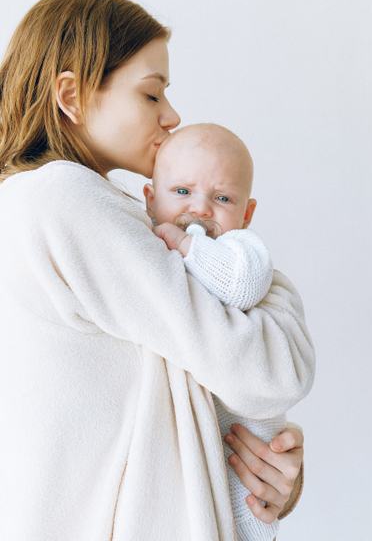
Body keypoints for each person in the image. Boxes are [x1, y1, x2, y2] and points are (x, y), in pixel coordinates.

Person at [0, 0, 315, 541]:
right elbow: (271, 372)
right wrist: (266, 290)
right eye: (151, 95)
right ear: (70, 95)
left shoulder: (92, 213)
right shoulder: (62, 200)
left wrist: (264, 474)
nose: (172, 115)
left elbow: (202, 377)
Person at [143, 121, 314, 541]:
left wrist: (187, 248)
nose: (200, 209)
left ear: (246, 214)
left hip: (246, 446)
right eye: (182, 192)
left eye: (221, 198)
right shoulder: (137, 241)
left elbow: (240, 286)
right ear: (149, 199)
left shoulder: (243, 252)